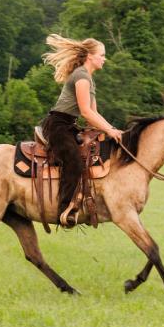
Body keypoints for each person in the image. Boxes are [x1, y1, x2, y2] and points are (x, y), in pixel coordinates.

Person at [40, 34, 123, 226]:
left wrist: (112, 131)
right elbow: (86, 112)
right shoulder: (81, 76)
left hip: (68, 125)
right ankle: (64, 210)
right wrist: (110, 130)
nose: (104, 58)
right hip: (58, 126)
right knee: (75, 162)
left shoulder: (89, 79)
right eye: (102, 55)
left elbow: (94, 112)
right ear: (90, 56)